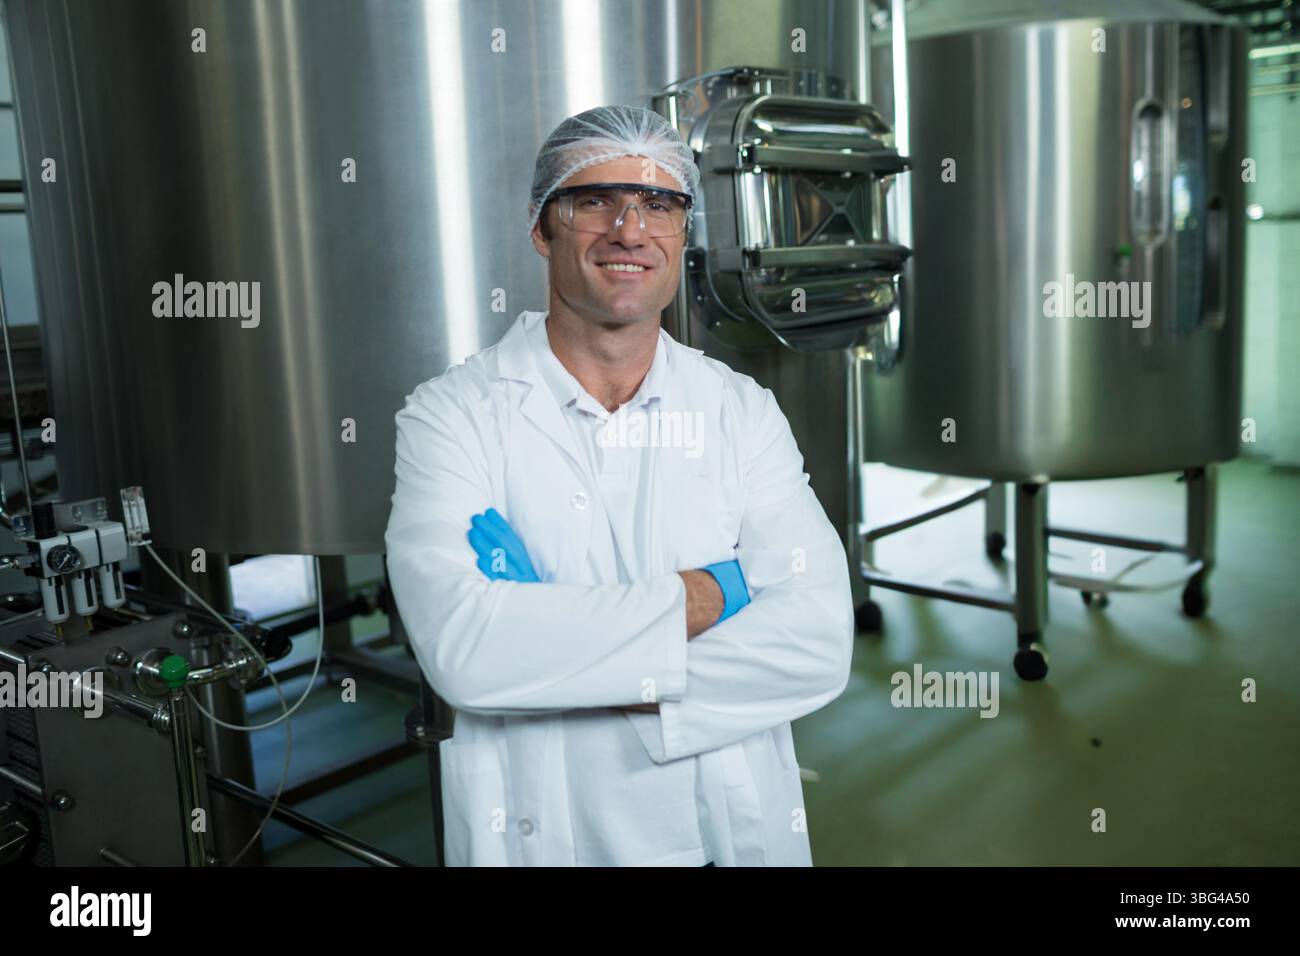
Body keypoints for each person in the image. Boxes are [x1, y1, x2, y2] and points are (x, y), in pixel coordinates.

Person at [384, 105, 853, 866]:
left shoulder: (739, 411)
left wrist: (559, 654)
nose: (629, 230)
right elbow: (466, 651)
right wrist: (710, 595)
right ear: (542, 227)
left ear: (682, 233)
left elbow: (818, 642)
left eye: (660, 204)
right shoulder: (452, 414)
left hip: (722, 841)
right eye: (595, 199)